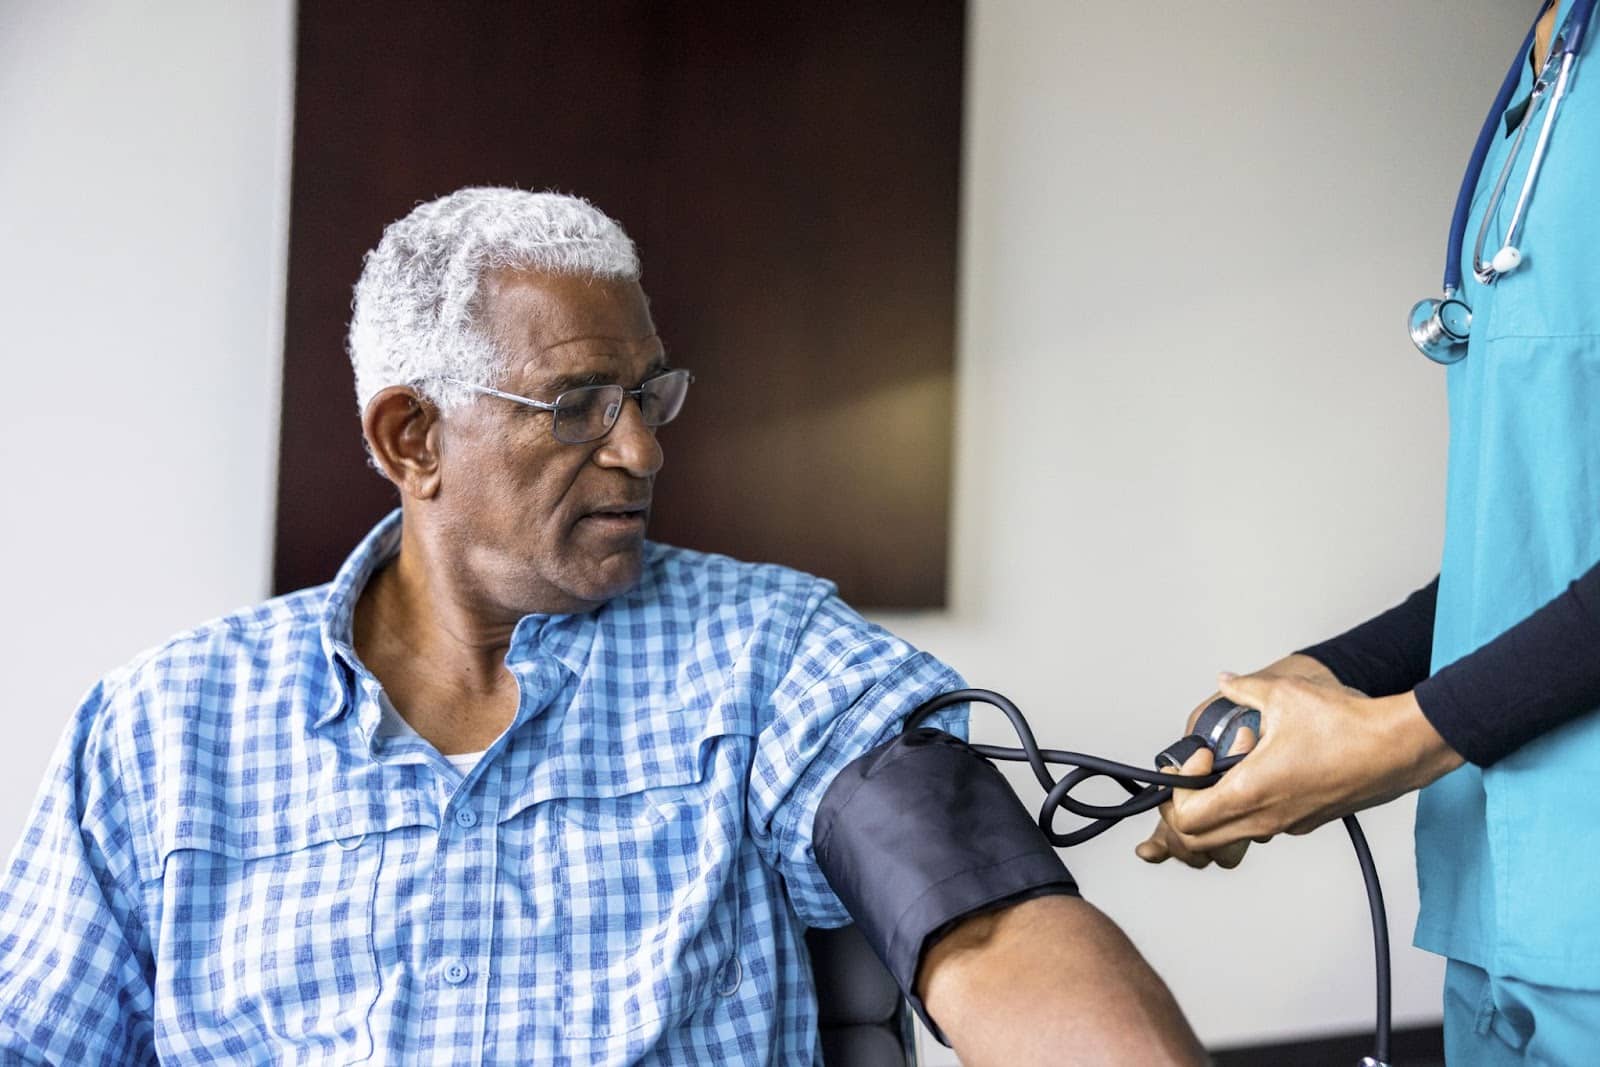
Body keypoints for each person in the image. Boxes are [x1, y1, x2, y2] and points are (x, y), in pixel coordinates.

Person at [0, 188, 1203, 1065]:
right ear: (411, 437)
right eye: (578, 403)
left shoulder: (767, 655)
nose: (641, 448)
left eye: (647, 394)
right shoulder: (161, 727)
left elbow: (984, 913)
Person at [1140, 2, 1600, 1061]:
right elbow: (1542, 546)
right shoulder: (1553, 65)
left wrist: (1394, 738)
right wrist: (1321, 678)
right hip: (1507, 921)